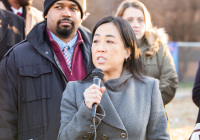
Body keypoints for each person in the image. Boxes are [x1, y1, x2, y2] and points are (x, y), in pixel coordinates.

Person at [58, 16, 169, 140]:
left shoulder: (149, 88)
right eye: (95, 41)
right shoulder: (74, 90)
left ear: (128, 51)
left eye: (109, 41)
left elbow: (160, 137)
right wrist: (86, 110)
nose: (100, 48)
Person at [0, 0, 93, 139]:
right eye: (59, 7)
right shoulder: (16, 57)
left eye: (73, 8)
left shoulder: (98, 54)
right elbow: (4, 120)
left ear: (83, 16)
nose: (66, 13)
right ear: (45, 13)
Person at [115, 0, 178, 132]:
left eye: (140, 20)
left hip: (155, 121)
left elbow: (170, 81)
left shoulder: (159, 46)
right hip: (121, 122)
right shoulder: (112, 47)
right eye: (130, 20)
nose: (136, 25)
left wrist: (145, 105)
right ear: (120, 21)